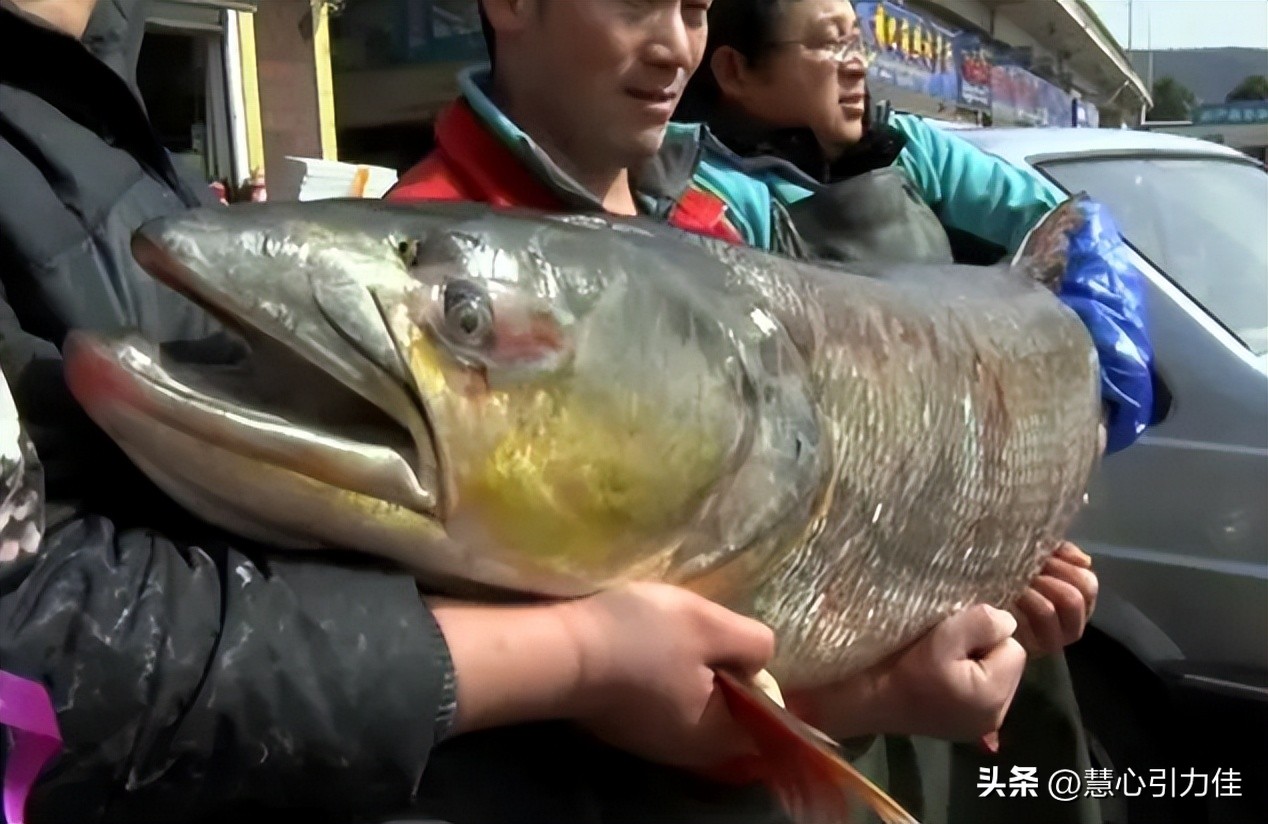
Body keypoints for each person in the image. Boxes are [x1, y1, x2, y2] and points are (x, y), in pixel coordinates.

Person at [0, 4, 785, 824]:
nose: (674, 44)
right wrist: (575, 657)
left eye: (697, 8)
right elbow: (34, 648)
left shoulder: (99, 78)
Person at [387, 0, 1057, 797]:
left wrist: (979, 573)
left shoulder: (717, 225)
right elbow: (529, 701)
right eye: (639, 5)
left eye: (696, 10)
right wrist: (881, 696)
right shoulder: (420, 294)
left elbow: (811, 526)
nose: (677, 48)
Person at [672, 1, 1154, 821]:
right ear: (737, 73)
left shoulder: (912, 151)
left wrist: (1094, 354)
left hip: (977, 536)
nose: (855, 64)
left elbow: (1057, 223)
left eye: (857, 41)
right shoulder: (719, 206)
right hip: (852, 579)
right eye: (827, 45)